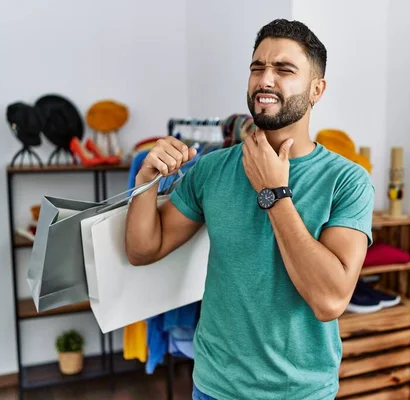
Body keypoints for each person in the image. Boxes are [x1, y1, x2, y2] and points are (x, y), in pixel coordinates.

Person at [125, 19, 375, 400]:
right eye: (257, 68)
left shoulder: (348, 181)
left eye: (284, 70)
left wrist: (274, 191)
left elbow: (329, 301)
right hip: (213, 387)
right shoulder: (211, 169)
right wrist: (146, 180)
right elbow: (144, 249)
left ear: (316, 89)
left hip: (300, 392)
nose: (265, 80)